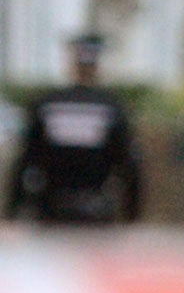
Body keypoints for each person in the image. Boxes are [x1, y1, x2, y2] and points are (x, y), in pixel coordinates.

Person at [6, 31, 143, 227]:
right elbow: (129, 165)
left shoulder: (46, 105)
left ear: (72, 64)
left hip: (51, 210)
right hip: (96, 212)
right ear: (96, 66)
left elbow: (26, 160)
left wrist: (13, 210)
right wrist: (132, 215)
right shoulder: (110, 108)